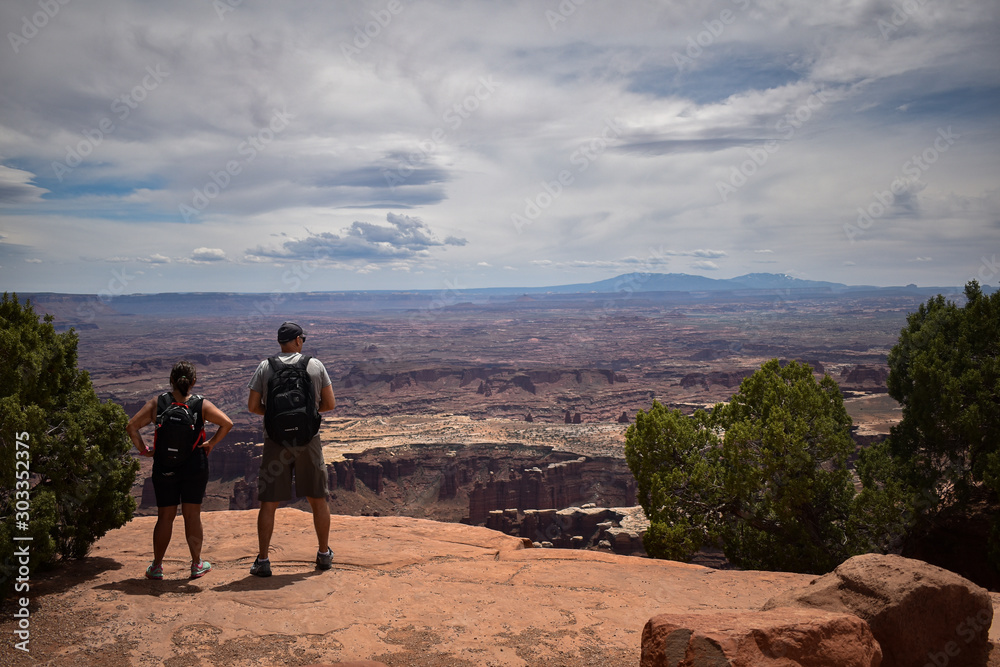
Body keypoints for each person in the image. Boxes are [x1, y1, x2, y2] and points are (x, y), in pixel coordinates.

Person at [127, 360, 233, 580]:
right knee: (192, 515)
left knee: (165, 516)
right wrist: (211, 443)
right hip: (195, 465)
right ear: (193, 382)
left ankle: (157, 567)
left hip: (164, 465)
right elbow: (227, 423)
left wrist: (145, 450)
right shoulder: (200, 404)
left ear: (171, 380)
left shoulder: (159, 403)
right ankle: (196, 564)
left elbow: (131, 426)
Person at [246, 321, 336, 577]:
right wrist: (304, 416)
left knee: (269, 502)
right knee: (318, 498)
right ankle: (323, 555)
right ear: (297, 340)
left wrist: (275, 416)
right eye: (302, 339)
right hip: (309, 440)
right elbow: (329, 404)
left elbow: (253, 406)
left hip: (276, 442)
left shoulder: (266, 366)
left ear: (280, 342)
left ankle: (263, 560)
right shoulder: (314, 365)